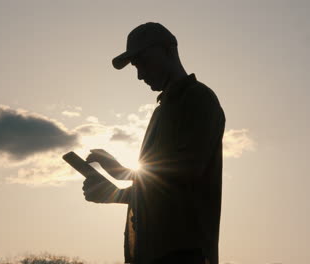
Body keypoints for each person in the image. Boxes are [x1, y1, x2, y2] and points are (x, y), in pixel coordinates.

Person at [82, 22, 226, 264]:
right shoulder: (163, 110)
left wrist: (116, 190)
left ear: (169, 51)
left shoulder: (198, 99)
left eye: (143, 63)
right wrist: (119, 172)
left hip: (184, 253)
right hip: (154, 254)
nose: (139, 75)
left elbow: (183, 174)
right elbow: (161, 177)